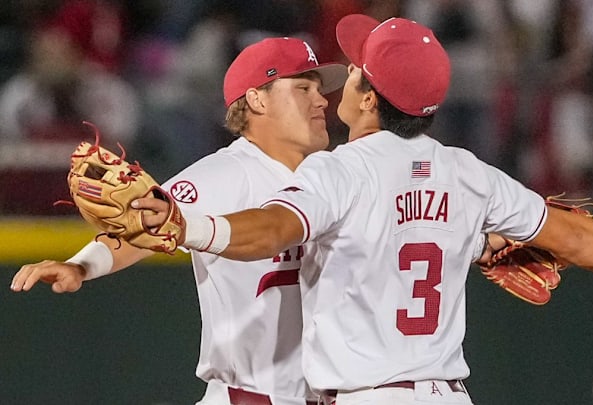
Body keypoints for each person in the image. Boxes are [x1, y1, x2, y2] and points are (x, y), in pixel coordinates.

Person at [99, 15, 593, 405]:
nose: (340, 84)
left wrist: (191, 227)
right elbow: (576, 240)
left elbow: (272, 230)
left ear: (367, 95)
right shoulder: (469, 174)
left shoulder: (336, 171)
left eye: (355, 71)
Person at [10, 37, 347, 405]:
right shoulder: (226, 173)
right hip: (251, 396)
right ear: (257, 99)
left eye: (319, 89)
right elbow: (142, 228)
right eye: (303, 87)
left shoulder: (334, 176)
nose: (321, 100)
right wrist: (80, 266)